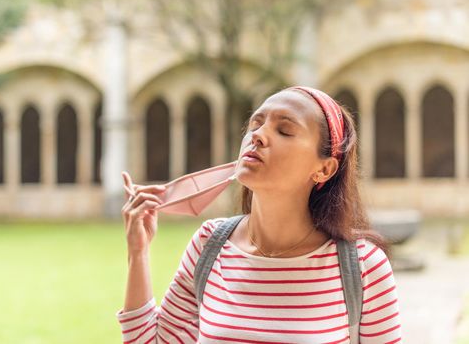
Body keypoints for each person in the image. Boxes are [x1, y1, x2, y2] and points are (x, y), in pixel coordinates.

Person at [116, 86, 402, 343]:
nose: (258, 136)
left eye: (285, 130)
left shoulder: (363, 267)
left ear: (324, 169)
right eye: (256, 124)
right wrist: (138, 253)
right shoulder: (209, 245)